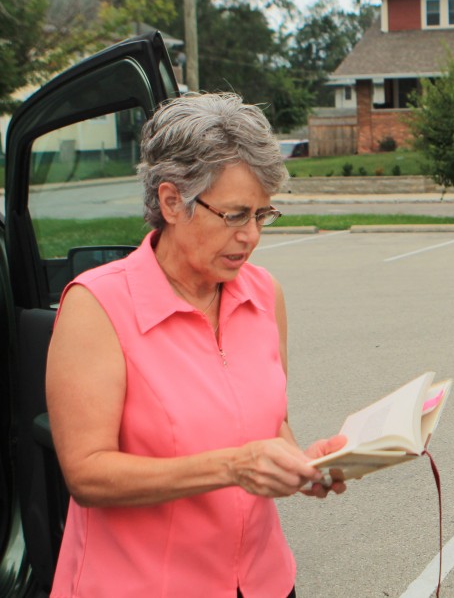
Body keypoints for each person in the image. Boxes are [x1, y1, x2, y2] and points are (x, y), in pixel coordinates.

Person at [46, 92, 347, 598]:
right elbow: (87, 474)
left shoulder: (264, 293)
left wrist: (302, 464)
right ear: (171, 202)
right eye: (234, 215)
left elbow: (267, 420)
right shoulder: (97, 304)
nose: (250, 236)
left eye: (262, 214)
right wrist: (233, 467)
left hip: (263, 581)